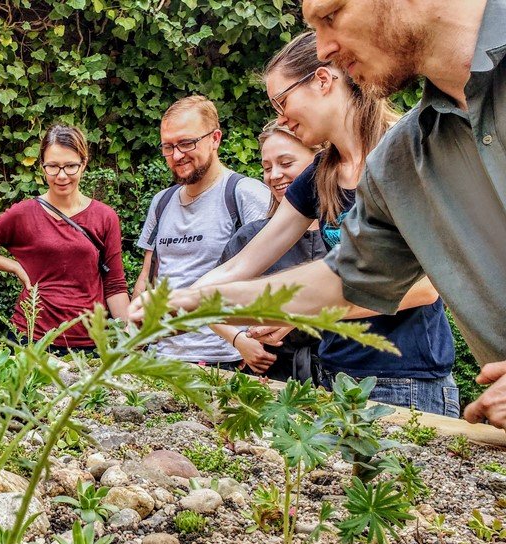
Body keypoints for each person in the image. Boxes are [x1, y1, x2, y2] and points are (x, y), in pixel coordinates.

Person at [132, 32, 460, 416]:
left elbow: (424, 289)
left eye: (282, 101)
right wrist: (175, 304)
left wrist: (292, 311)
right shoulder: (320, 175)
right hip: (333, 373)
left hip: (406, 380)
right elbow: (243, 263)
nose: (280, 118)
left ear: (323, 81)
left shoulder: (404, 155)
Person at [299, 0, 506, 427]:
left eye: (331, 15)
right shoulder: (401, 160)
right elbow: (346, 279)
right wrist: (199, 303)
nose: (321, 49)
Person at [0, 124, 129, 354]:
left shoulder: (104, 217)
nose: (61, 176)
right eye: (52, 166)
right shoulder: (23, 213)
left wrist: (130, 338)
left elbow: (114, 285)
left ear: (84, 163)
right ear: (42, 167)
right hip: (31, 339)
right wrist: (14, 267)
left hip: (88, 344)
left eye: (70, 166)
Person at [132, 96, 271, 367]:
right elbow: (148, 277)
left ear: (215, 138)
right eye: (168, 146)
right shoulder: (162, 201)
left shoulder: (245, 195)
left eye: (186, 143)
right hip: (161, 358)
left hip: (225, 360)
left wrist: (245, 342)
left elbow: (270, 278)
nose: (177, 155)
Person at [213, 121, 327, 381]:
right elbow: (213, 302)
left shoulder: (342, 228)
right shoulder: (253, 237)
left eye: (285, 164)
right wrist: (239, 339)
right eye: (266, 168)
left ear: (319, 161)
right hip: (270, 376)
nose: (274, 175)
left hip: (342, 374)